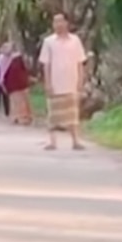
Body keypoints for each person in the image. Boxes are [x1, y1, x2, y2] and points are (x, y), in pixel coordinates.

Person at [39, 13, 88, 150]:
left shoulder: (75, 40)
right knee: (53, 115)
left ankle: (75, 141)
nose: (58, 24)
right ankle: (52, 142)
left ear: (67, 23)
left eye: (60, 21)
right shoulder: (49, 42)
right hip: (55, 83)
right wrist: (47, 83)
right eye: (55, 22)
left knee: (73, 114)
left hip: (71, 82)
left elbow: (80, 63)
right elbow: (46, 64)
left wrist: (80, 81)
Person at [1, 42, 34, 125]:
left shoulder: (18, 58)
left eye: (7, 47)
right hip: (11, 84)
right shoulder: (4, 59)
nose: (6, 50)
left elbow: (25, 69)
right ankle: (16, 117)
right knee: (14, 101)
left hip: (21, 83)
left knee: (22, 101)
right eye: (4, 48)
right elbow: (3, 72)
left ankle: (25, 117)